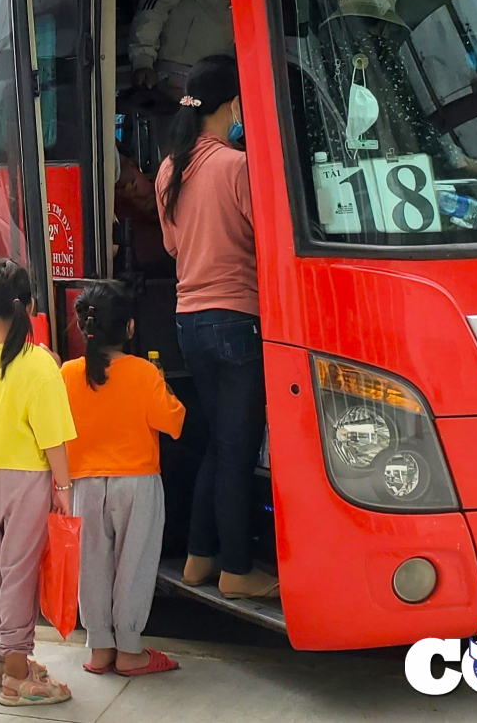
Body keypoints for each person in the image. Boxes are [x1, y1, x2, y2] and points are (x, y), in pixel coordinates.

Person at [154, 54, 275, 600]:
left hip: (190, 323)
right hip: (237, 322)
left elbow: (173, 246)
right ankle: (236, 568)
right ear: (233, 104)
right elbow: (266, 243)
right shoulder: (237, 166)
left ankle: (199, 558)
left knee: (214, 443)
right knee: (238, 447)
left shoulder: (168, 170)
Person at [0, 259, 78, 708]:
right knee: (19, 574)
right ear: (25, 307)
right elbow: (54, 439)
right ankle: (19, 673)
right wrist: (62, 491)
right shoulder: (39, 363)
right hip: (27, 480)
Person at [62, 281, 185, 676]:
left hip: (85, 484)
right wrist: (162, 382)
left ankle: (100, 648)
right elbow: (174, 422)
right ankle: (130, 649)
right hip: (137, 482)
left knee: (92, 566)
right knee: (134, 565)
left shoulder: (67, 374)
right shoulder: (144, 372)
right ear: (130, 328)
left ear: (84, 330)